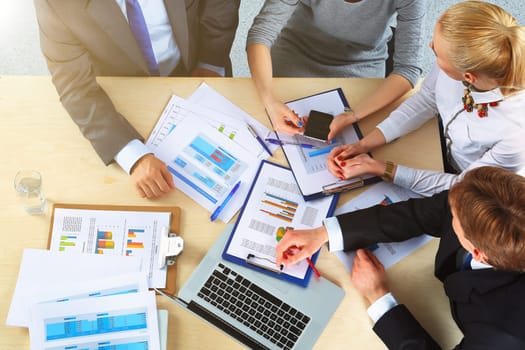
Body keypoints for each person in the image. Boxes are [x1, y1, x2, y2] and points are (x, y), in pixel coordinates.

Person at [276, 166, 525, 348]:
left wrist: (379, 297)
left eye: (455, 218)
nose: (449, 210)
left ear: (478, 252)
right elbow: (423, 213)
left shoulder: (504, 334)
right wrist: (324, 233)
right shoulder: (496, 200)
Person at [33, 0, 240, 198]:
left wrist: (210, 63)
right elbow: (76, 88)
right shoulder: (56, 3)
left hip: (197, 66)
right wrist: (131, 154)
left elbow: (220, 6)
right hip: (126, 98)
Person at [328, 1, 525, 197]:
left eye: (436, 53)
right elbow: (427, 99)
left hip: (475, 184)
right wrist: (363, 145)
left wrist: (381, 168)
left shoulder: (516, 134)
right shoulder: (465, 61)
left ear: (468, 76)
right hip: (442, 148)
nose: (431, 46)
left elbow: (466, 186)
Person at [247, 0, 425, 135]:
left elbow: (408, 68)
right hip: (296, 51)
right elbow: (261, 33)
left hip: (363, 64)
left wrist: (353, 115)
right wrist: (269, 100)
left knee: (359, 136)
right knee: (268, 125)